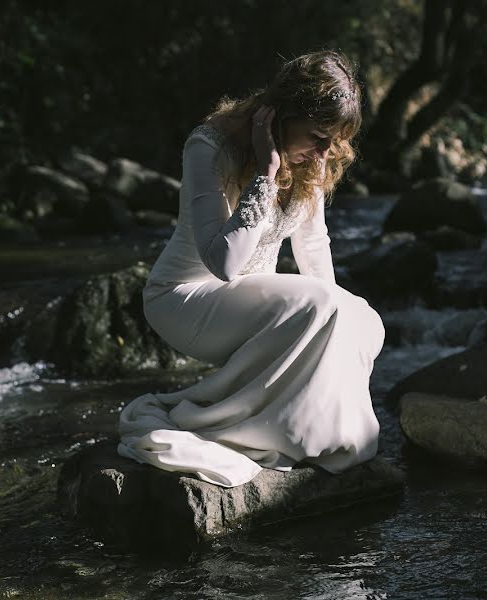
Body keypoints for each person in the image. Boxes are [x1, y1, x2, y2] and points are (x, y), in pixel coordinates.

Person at [116, 50, 386, 488]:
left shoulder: (311, 158)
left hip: (251, 297)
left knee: (362, 318)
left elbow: (313, 244)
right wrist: (265, 173)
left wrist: (336, 325)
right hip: (185, 297)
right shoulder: (210, 146)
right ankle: (236, 428)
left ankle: (311, 435)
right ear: (281, 115)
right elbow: (223, 264)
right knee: (323, 305)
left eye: (332, 141)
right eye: (318, 136)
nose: (324, 152)